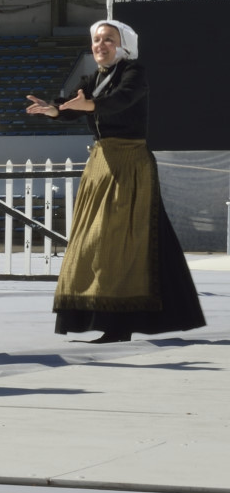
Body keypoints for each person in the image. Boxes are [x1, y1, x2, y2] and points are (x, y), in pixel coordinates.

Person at [26, 19, 204, 342]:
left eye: (108, 39)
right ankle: (111, 317)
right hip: (101, 165)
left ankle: (118, 324)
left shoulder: (134, 73)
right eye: (96, 40)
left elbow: (121, 100)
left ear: (123, 46)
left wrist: (88, 105)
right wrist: (54, 110)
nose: (100, 45)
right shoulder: (94, 78)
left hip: (129, 165)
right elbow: (73, 106)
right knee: (96, 242)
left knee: (118, 242)